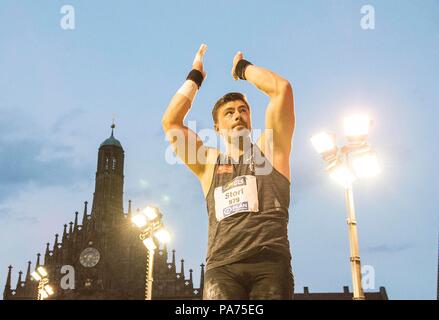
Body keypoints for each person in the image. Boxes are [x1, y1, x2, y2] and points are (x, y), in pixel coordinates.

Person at [162, 44, 295, 299]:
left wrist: (243, 69)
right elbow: (171, 122)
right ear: (217, 126)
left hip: (269, 263)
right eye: (229, 112)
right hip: (221, 268)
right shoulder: (208, 164)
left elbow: (282, 90)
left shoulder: (271, 151)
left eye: (243, 110)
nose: (238, 116)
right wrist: (195, 77)